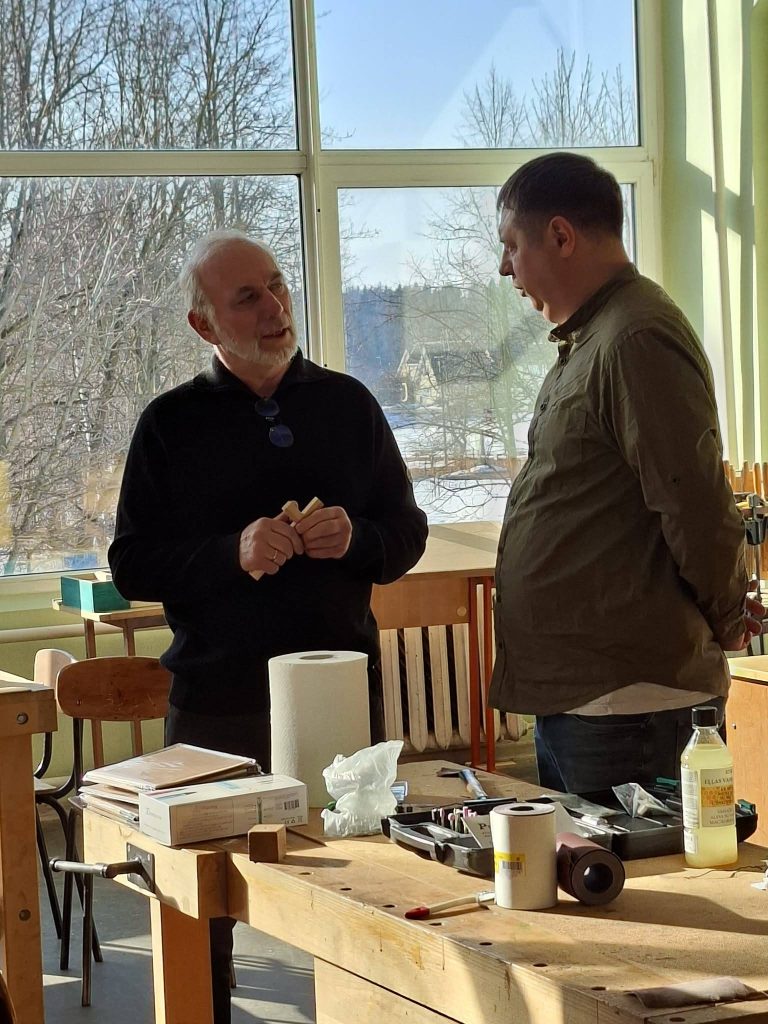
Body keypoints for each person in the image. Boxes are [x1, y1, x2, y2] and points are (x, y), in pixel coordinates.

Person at [108, 228, 428, 1022]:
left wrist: (358, 537)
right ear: (204, 325)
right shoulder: (169, 424)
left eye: (278, 285)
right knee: (205, 901)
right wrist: (232, 553)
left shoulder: (350, 406)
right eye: (247, 297)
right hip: (219, 702)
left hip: (339, 698)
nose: (275, 306)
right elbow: (131, 565)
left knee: (366, 886)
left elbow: (407, 534)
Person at [489, 152, 764, 797]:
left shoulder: (635, 337)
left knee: (642, 868)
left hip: (630, 705)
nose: (505, 268)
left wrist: (728, 617)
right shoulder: (597, 336)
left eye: (512, 245)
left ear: (561, 236)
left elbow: (694, 505)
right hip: (593, 699)